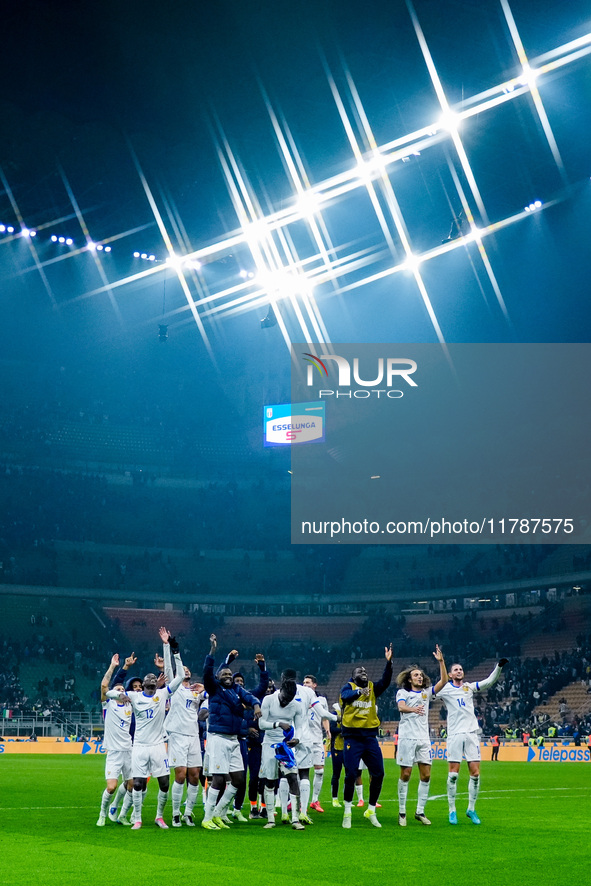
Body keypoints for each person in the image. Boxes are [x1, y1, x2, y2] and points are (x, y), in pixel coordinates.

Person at [110, 629, 186, 830]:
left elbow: (178, 678)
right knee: (137, 784)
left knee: (164, 783)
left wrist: (173, 650)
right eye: (149, 685)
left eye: (154, 685)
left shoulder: (162, 695)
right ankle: (137, 818)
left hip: (158, 745)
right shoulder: (134, 697)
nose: (152, 688)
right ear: (143, 685)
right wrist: (121, 695)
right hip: (140, 746)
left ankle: (159, 817)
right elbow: (109, 692)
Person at [436, 657, 509, 825]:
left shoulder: (468, 687)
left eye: (461, 669)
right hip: (454, 734)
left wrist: (498, 667)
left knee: (475, 774)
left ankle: (471, 809)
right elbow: (430, 695)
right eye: (456, 670)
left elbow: (488, 682)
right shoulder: (445, 689)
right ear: (450, 674)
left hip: (471, 734)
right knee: (453, 775)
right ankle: (452, 810)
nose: (459, 671)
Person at [201, 634, 262, 831]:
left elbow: (249, 696)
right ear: (218, 678)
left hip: (235, 738)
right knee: (218, 778)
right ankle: (207, 818)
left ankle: (218, 813)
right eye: (224, 675)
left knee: (238, 778)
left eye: (230, 675)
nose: (228, 677)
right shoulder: (214, 690)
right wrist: (212, 652)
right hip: (219, 737)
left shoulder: (236, 689)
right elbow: (207, 672)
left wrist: (256, 705)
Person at [339, 643, 393, 829]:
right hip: (352, 738)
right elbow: (345, 696)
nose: (364, 672)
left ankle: (371, 810)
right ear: (353, 676)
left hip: (370, 738)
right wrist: (359, 692)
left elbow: (385, 682)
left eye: (365, 670)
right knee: (351, 774)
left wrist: (389, 663)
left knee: (379, 773)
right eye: (359, 671)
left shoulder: (372, 687)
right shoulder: (348, 687)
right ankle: (347, 812)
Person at [396, 645, 447, 827]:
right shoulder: (403, 693)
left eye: (421, 675)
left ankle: (420, 812)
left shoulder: (426, 693)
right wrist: (413, 709)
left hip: (424, 739)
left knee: (426, 776)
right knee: (406, 774)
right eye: (416, 675)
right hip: (407, 738)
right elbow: (401, 707)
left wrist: (441, 662)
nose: (419, 677)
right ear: (409, 679)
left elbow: (444, 681)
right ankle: (402, 812)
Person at [158, 627, 203, 828]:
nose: (185, 671)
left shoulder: (196, 692)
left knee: (194, 776)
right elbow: (169, 669)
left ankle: (188, 813)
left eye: (187, 671)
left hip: (193, 736)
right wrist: (167, 646)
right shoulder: (174, 689)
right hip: (177, 735)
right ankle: (175, 814)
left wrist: (206, 689)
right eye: (182, 670)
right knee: (181, 774)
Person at [258, 676, 308, 830]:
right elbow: (261, 724)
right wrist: (278, 723)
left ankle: (295, 818)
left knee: (293, 777)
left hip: (286, 745)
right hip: (269, 744)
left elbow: (299, 726)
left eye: (290, 699)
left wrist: (297, 739)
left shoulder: (296, 706)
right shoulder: (268, 700)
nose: (287, 702)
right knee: (271, 780)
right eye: (285, 698)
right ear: (281, 691)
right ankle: (271, 819)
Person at [96, 654, 133, 826]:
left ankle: (121, 813)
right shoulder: (108, 705)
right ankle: (102, 813)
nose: (120, 691)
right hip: (114, 752)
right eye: (117, 690)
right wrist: (113, 666)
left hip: (129, 750)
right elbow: (104, 686)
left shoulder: (130, 705)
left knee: (133, 785)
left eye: (122, 689)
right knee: (111, 787)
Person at [302, 674, 338, 813]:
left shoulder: (321, 700)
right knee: (302, 771)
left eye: (308, 682)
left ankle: (315, 800)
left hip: (317, 739)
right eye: (304, 683)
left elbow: (324, 716)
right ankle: (299, 800)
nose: (305, 685)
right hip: (303, 739)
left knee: (320, 771)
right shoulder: (300, 698)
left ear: (315, 685)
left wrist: (327, 730)